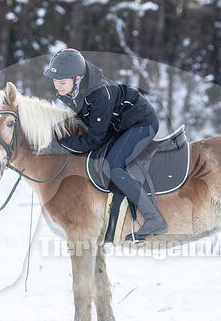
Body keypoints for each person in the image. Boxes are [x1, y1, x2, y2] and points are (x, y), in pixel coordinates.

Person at [44, 48, 167, 241]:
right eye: (55, 81)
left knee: (112, 166)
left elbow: (94, 139)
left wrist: (60, 145)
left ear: (77, 79)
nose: (57, 87)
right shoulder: (71, 89)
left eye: (61, 82)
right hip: (118, 125)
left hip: (141, 123)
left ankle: (153, 218)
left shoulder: (99, 94)